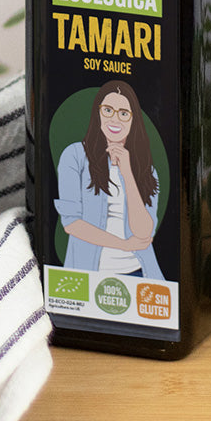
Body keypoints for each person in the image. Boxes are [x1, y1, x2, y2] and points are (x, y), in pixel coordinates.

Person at [54, 80, 163, 279]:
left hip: (139, 273)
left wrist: (127, 172)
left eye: (123, 113)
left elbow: (144, 233)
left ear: (133, 119)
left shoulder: (146, 170)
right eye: (108, 110)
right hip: (87, 272)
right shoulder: (74, 156)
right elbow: (71, 223)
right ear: (98, 114)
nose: (115, 119)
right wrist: (123, 245)